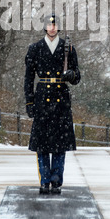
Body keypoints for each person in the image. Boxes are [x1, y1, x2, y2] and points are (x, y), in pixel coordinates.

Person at [24, 14, 80, 194]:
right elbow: (28, 78)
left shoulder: (68, 48)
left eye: (55, 24)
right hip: (42, 98)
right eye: (49, 24)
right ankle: (44, 179)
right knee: (42, 143)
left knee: (59, 142)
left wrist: (70, 75)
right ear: (45, 27)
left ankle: (56, 179)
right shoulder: (35, 48)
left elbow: (77, 76)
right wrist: (30, 101)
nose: (52, 27)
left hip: (60, 97)